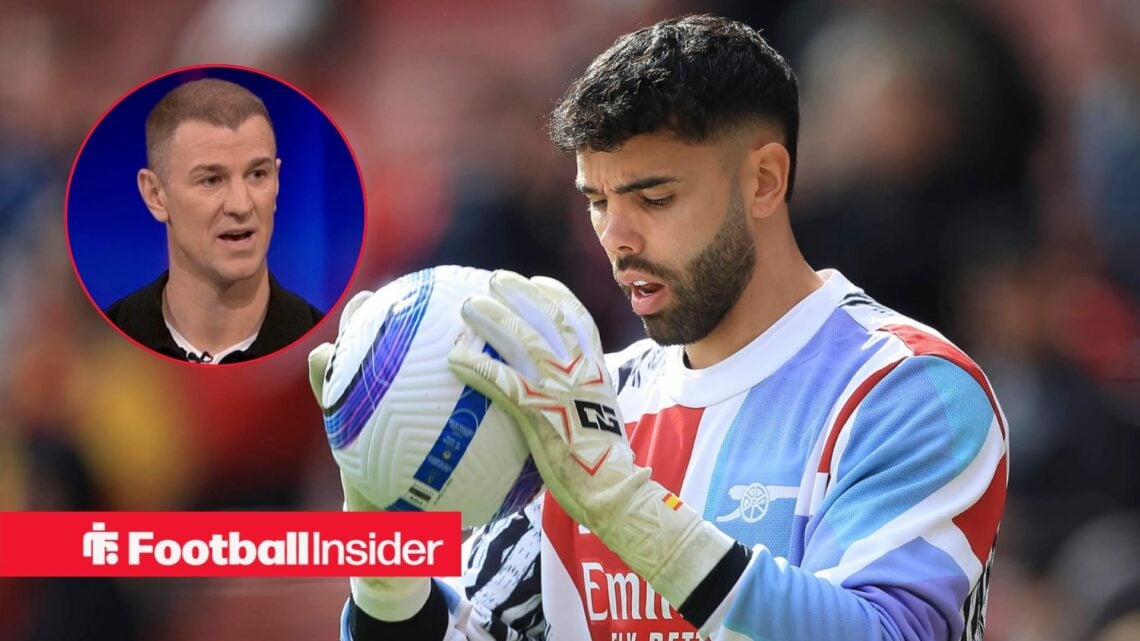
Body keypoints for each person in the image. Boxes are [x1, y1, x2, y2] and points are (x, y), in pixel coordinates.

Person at [309, 14, 1009, 641]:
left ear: (765, 180)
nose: (617, 237)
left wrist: (631, 508)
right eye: (596, 201)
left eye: (654, 197)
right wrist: (385, 562)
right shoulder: (584, 403)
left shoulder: (907, 389)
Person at [105, 78, 322, 364]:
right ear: (155, 195)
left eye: (257, 175)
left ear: (277, 181)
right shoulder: (105, 351)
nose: (241, 205)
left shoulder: (328, 349)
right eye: (211, 180)